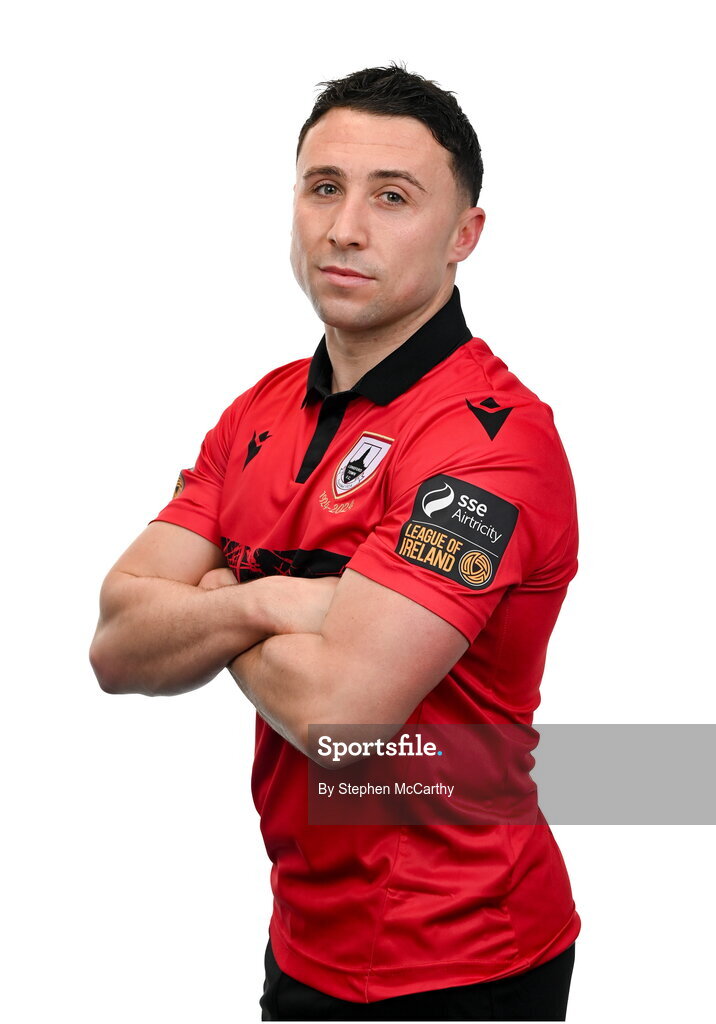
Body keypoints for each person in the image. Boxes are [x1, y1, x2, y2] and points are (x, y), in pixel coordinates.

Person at [90, 64, 580, 1021]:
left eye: (392, 197)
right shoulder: (257, 415)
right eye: (323, 187)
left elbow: (339, 720)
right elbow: (114, 644)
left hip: (470, 953)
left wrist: (212, 602)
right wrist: (274, 600)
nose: (344, 228)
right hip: (303, 942)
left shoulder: (492, 442)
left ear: (462, 237)